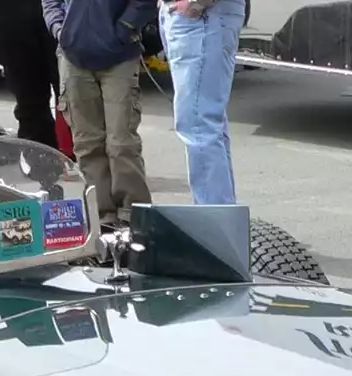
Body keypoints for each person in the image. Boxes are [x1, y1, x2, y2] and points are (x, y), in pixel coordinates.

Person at [44, 0, 150, 226]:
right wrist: (60, 29)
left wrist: (124, 28)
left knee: (121, 143)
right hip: (73, 56)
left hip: (120, 55)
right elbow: (50, 2)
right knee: (87, 143)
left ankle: (133, 215)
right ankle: (102, 216)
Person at [159, 0, 242, 205]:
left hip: (201, 16)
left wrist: (196, 3)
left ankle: (214, 218)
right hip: (190, 15)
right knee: (204, 121)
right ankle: (222, 215)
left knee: (198, 124)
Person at [0, 0, 60, 149]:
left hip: (60, 8)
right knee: (28, 100)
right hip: (9, 11)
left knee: (73, 96)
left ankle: (82, 158)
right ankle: (39, 157)